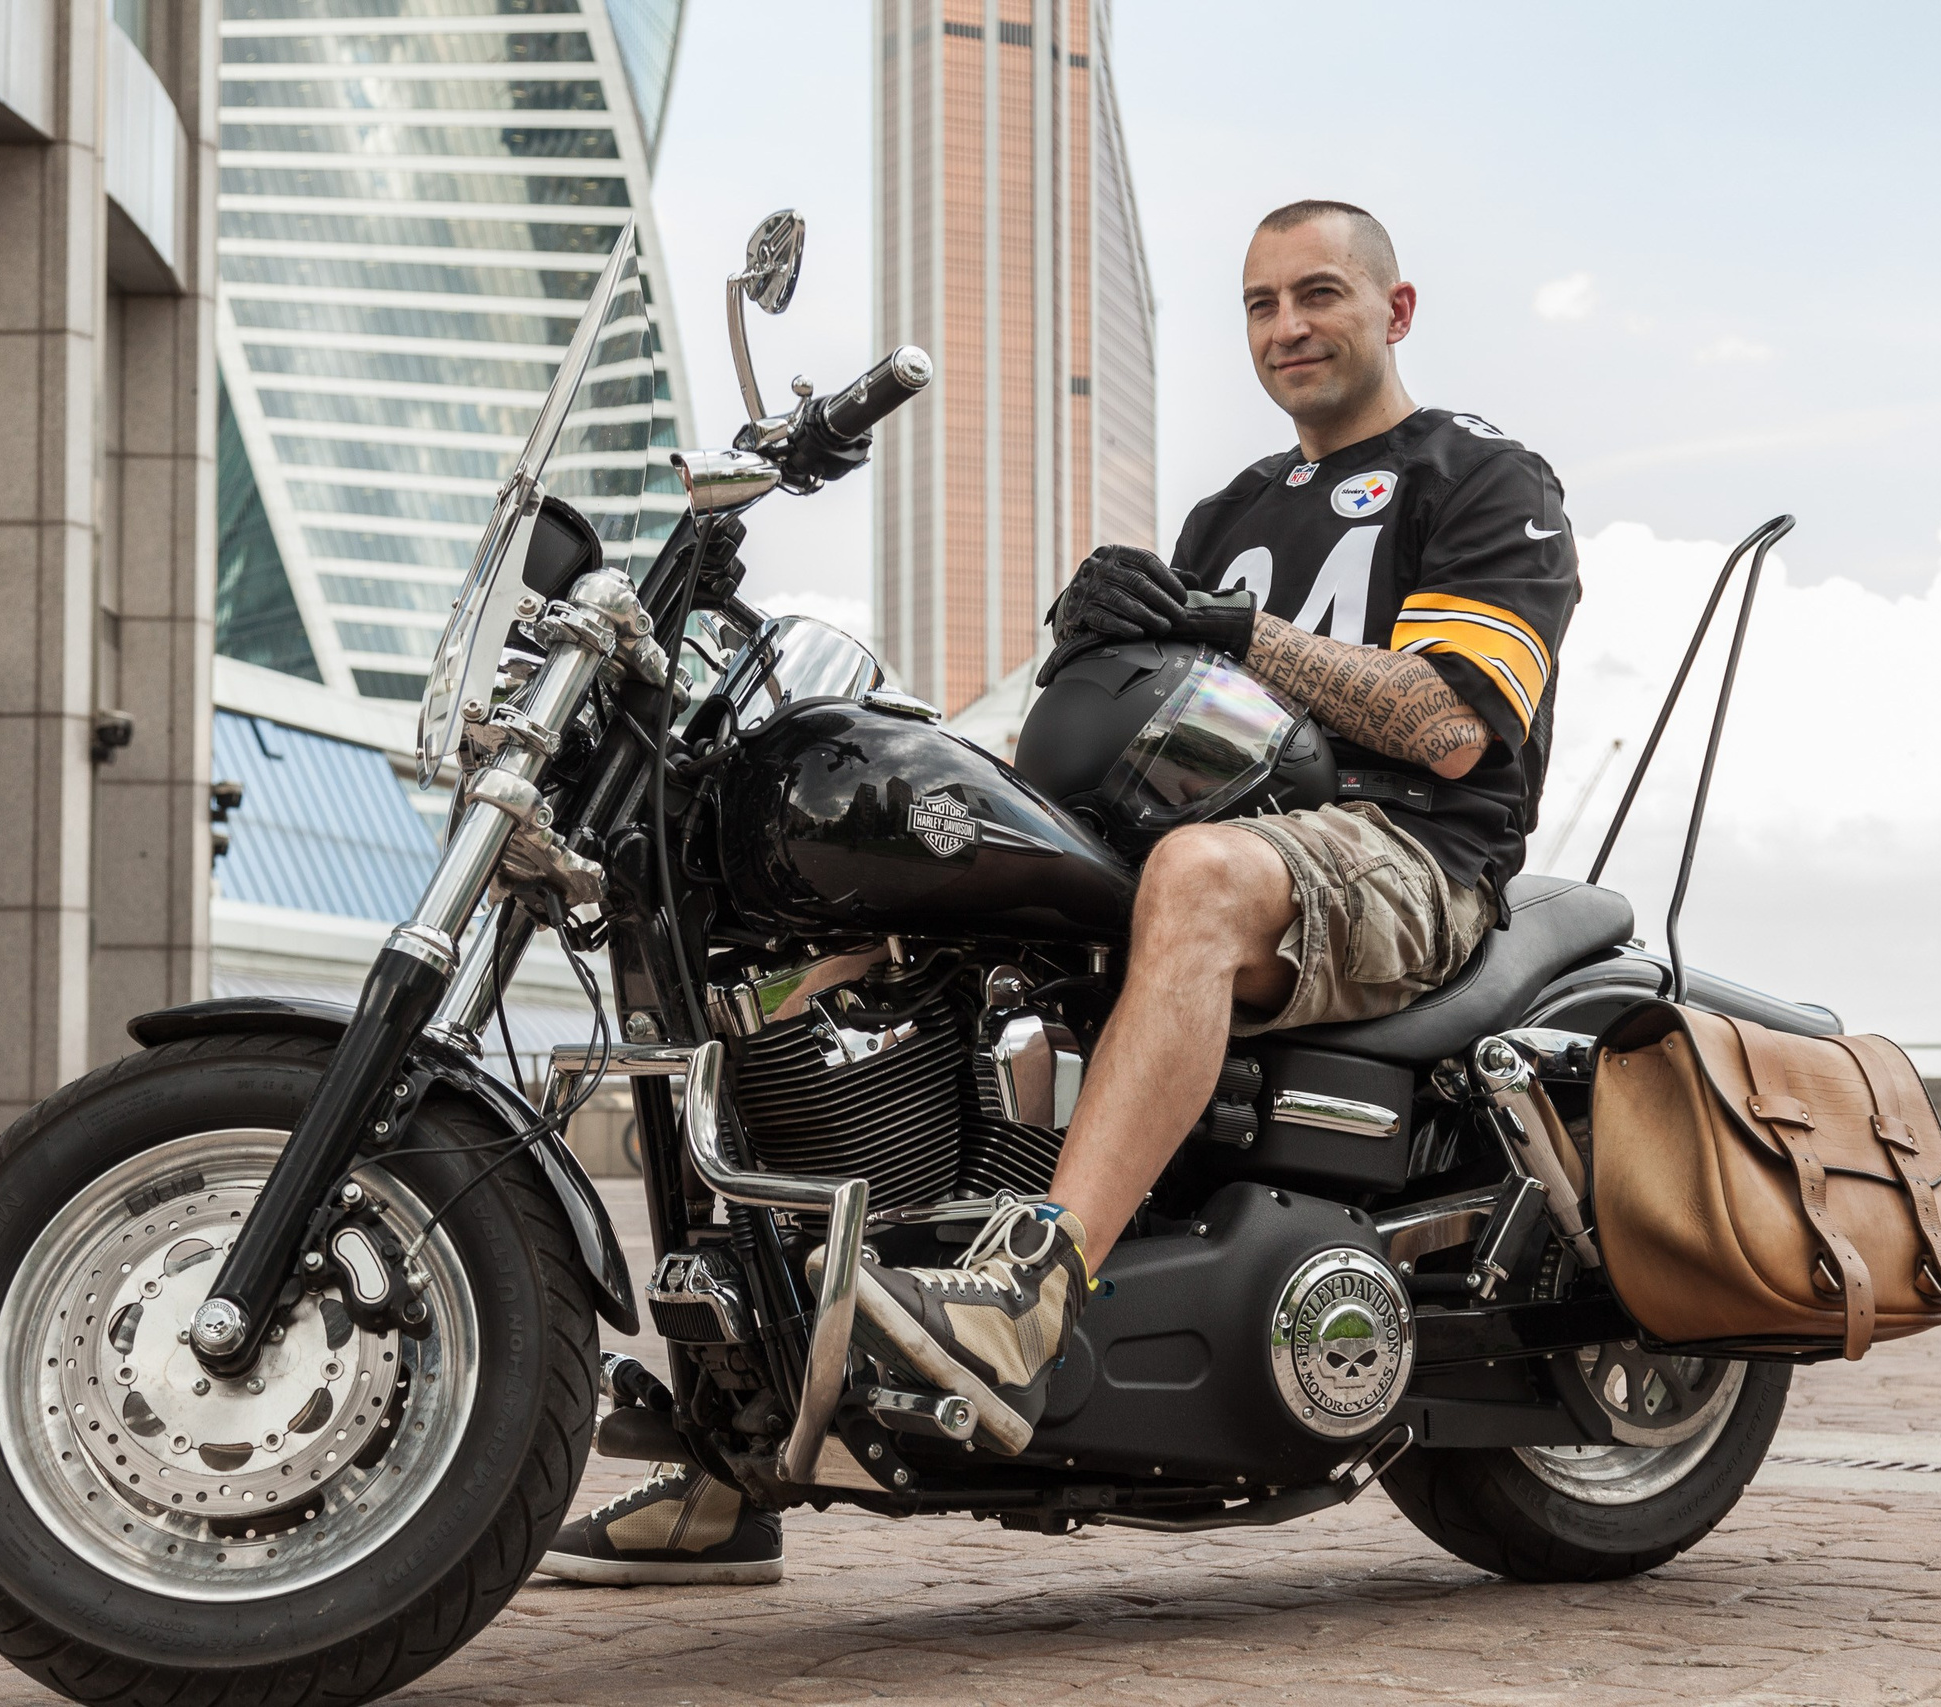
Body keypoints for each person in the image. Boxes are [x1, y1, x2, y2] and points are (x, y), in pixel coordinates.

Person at [538, 197, 1580, 1586]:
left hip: (1407, 857)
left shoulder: (1479, 476)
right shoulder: (1231, 512)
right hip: (1213, 840)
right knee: (826, 935)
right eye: (1262, 304)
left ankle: (1032, 1293)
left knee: (1204, 874)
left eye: (1319, 294)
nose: (1287, 327)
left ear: (1394, 311)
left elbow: (1453, 722)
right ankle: (743, 1440)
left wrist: (1223, 626)